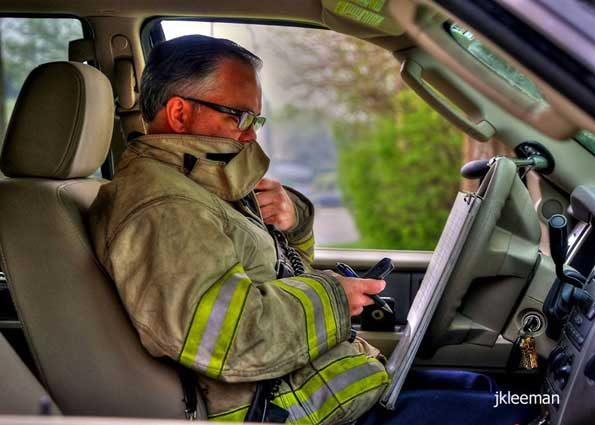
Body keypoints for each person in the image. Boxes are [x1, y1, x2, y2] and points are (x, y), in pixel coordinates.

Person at [89, 34, 389, 423]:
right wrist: (333, 300)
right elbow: (232, 341)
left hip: (324, 393)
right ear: (179, 114)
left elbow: (279, 274)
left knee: (479, 393)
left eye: (256, 119)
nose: (251, 135)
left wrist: (293, 220)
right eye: (239, 116)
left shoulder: (200, 182)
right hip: (286, 409)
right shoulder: (165, 208)